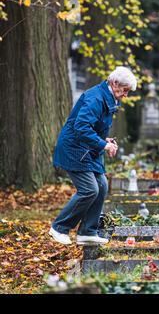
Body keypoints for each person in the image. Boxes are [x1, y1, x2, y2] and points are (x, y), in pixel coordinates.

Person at [49, 66, 137, 245]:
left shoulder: (107, 97)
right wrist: (104, 144)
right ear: (114, 83)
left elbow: (91, 126)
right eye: (125, 90)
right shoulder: (96, 98)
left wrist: (104, 139)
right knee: (89, 189)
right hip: (75, 149)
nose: (126, 95)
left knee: (102, 186)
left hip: (87, 150)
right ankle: (59, 228)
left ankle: (87, 232)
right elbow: (81, 128)